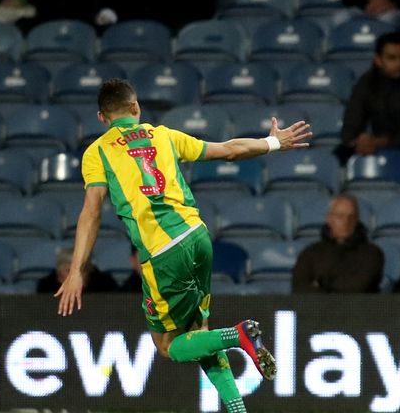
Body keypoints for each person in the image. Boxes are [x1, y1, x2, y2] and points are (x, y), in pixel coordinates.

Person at [54, 78, 312, 413]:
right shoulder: (163, 135)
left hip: (162, 252)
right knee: (197, 333)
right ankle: (237, 409)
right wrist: (272, 143)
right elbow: (230, 150)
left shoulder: (98, 152)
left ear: (102, 118)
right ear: (136, 108)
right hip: (197, 237)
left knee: (167, 345)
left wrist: (76, 270)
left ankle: (238, 335)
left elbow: (91, 212)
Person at [338, 32, 400, 163]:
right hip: (373, 143)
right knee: (338, 155)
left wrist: (384, 141)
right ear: (378, 60)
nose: (399, 63)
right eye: (392, 58)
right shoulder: (367, 82)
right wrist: (359, 140)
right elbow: (351, 122)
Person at [291, 194, 384, 293]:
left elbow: (357, 288)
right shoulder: (310, 253)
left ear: (357, 220)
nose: (346, 221)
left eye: (351, 216)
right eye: (340, 216)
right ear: (329, 219)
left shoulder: (372, 254)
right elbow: (299, 288)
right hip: (317, 308)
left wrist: (320, 283)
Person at [37, 247, 118, 294]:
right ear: (59, 275)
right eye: (69, 270)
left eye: (82, 270)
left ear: (89, 272)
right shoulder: (46, 289)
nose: (76, 275)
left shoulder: (105, 287)